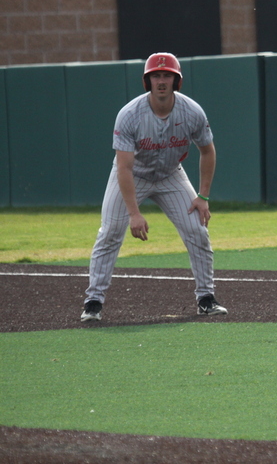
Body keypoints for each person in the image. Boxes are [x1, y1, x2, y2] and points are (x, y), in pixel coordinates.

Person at [81, 52, 228, 322]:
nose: (162, 80)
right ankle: (93, 301)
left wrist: (203, 195)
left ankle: (206, 298)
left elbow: (208, 151)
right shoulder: (129, 115)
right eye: (156, 75)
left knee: (197, 230)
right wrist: (134, 213)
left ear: (176, 80)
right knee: (111, 232)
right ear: (147, 81)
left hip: (171, 174)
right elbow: (124, 167)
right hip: (132, 176)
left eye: (167, 75)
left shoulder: (192, 111)